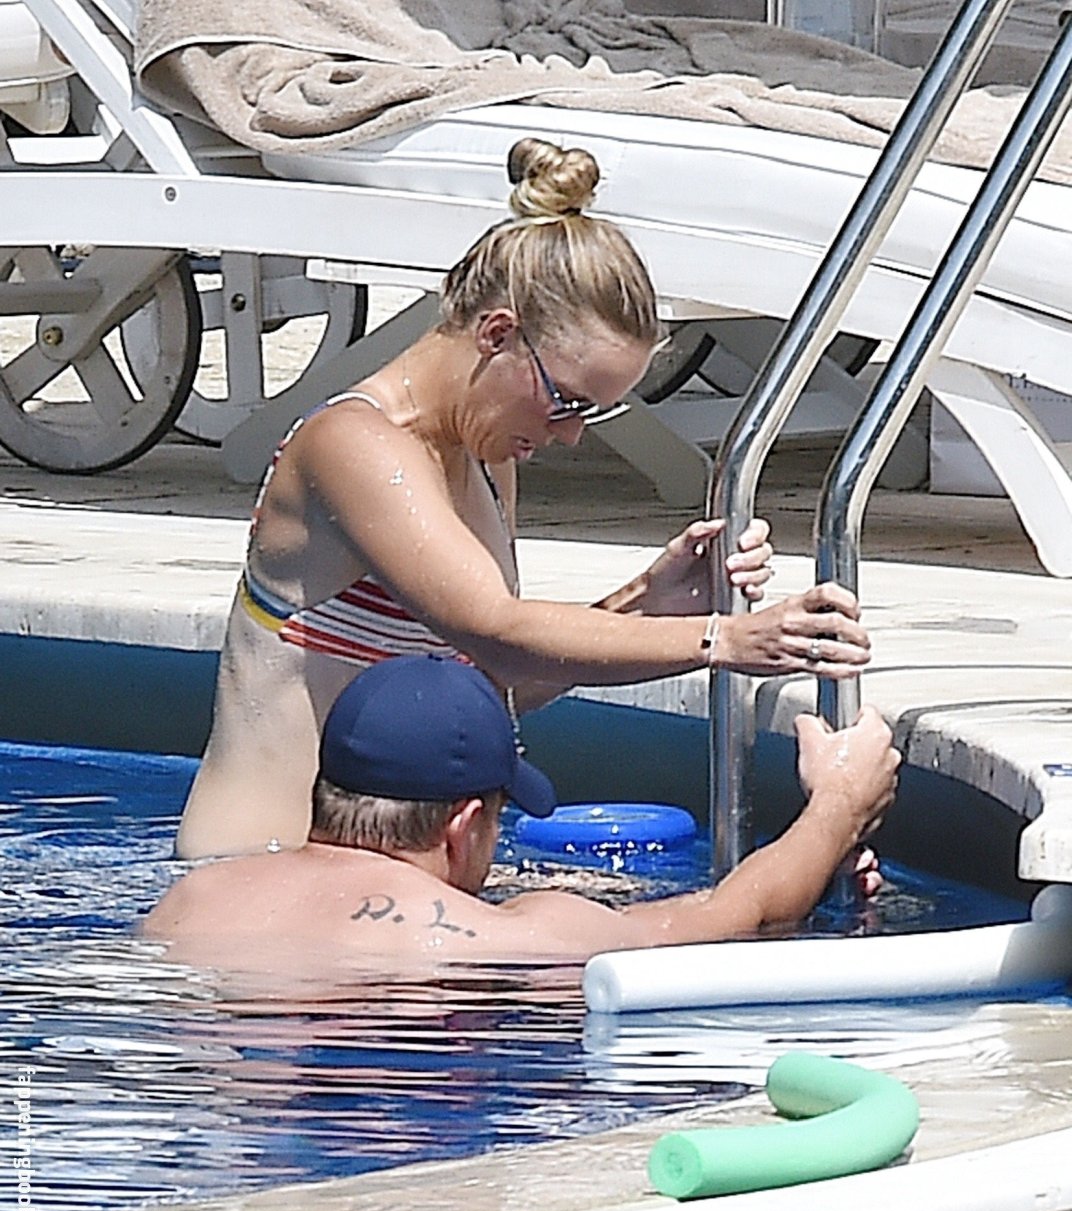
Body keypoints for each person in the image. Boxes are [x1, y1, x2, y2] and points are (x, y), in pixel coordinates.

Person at [177, 136, 873, 859]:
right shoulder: (353, 444)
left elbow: (498, 681)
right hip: (254, 876)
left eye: (593, 412)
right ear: (498, 333)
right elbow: (494, 628)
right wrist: (724, 640)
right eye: (566, 400)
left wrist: (650, 600)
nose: (570, 436)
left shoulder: (482, 456)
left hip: (369, 883)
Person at [146, 656, 900, 968]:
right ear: (463, 824)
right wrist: (839, 805)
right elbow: (732, 916)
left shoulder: (193, 899)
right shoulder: (502, 940)